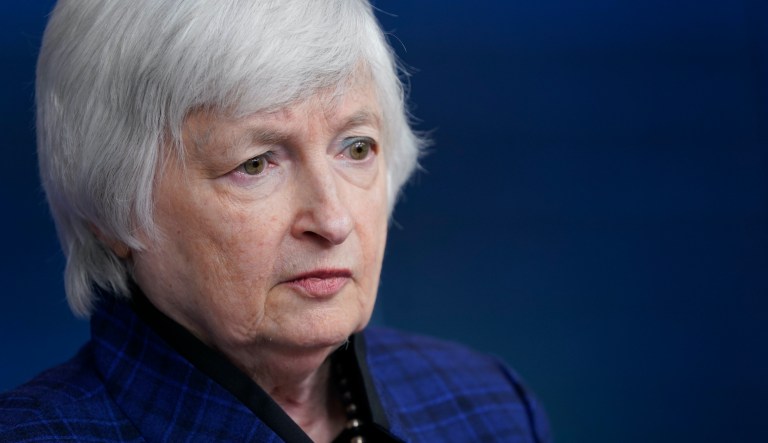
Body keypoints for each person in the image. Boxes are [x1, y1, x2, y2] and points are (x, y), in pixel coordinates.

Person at [0, 1, 550, 442]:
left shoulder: (488, 407)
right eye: (256, 164)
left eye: (356, 148)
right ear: (112, 211)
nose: (332, 220)